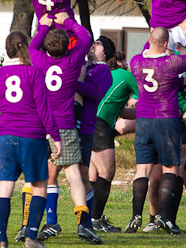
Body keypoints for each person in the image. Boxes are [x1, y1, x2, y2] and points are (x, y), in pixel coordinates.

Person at [0, 31, 62, 248]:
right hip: (32, 137)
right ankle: (31, 237)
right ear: (25, 47)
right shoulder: (34, 73)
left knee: (5, 187)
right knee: (39, 186)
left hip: (7, 138)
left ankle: (2, 237)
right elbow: (44, 108)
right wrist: (55, 136)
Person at [28, 13, 102, 245]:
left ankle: (44, 222)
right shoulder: (72, 62)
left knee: (46, 177)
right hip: (65, 127)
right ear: (66, 48)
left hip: (43, 127)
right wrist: (66, 21)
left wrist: (43, 27)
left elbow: (32, 45)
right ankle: (82, 222)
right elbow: (86, 36)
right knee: (73, 176)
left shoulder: (38, 60)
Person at [124, 27, 186, 235]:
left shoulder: (136, 61)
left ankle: (135, 217)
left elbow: (149, 49)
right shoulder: (171, 63)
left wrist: (155, 28)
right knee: (170, 169)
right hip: (166, 119)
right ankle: (164, 217)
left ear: (149, 40)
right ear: (166, 45)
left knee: (142, 170)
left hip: (143, 121)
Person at [89, 51, 138, 233]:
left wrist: (142, 115)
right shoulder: (124, 75)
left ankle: (90, 220)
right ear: (118, 62)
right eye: (124, 59)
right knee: (107, 171)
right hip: (100, 126)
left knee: (94, 175)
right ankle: (95, 220)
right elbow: (146, 95)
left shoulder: (104, 76)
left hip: (91, 122)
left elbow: (122, 112)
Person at [75, 36, 114, 234]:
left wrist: (73, 83)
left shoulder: (102, 70)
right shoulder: (81, 65)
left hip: (87, 126)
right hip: (69, 124)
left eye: (98, 44)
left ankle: (88, 220)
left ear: (104, 53)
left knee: (83, 175)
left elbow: (97, 91)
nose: (93, 45)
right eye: (93, 42)